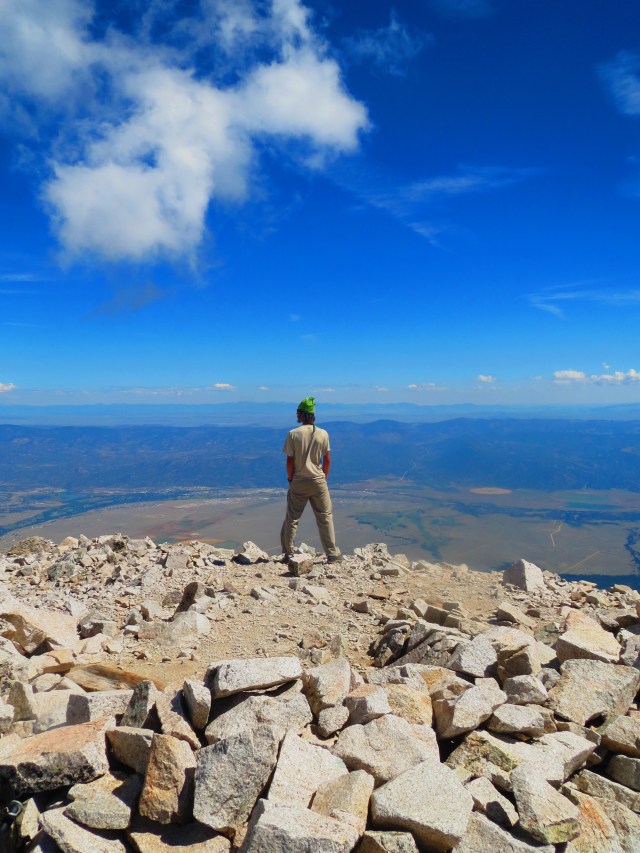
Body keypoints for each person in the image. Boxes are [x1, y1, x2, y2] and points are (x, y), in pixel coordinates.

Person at [280, 397, 341, 563]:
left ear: (302, 414)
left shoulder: (293, 434)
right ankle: (332, 554)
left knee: (292, 518)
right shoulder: (323, 434)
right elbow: (327, 460)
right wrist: (323, 479)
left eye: (297, 413)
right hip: (318, 481)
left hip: (299, 480)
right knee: (325, 516)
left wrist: (291, 478)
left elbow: (290, 461)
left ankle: (288, 553)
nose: (296, 415)